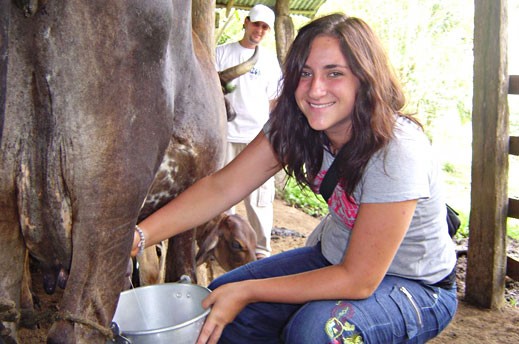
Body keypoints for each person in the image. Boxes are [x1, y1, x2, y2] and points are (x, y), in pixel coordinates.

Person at [132, 13, 457, 344]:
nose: (316, 89)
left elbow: (359, 280)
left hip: (415, 285)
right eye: (305, 73)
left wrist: (246, 291)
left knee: (317, 332)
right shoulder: (297, 126)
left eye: (334, 73)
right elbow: (222, 187)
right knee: (216, 301)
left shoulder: (396, 150)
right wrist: (139, 236)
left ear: (365, 77)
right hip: (333, 257)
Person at [215, 4, 282, 259]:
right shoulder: (221, 54)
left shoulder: (269, 61)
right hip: (225, 136)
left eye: (265, 27)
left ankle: (262, 255)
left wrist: (276, 137)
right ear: (246, 22)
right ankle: (222, 250)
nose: (260, 30)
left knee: (260, 202)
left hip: (258, 139)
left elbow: (275, 100)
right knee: (222, 199)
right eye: (256, 24)